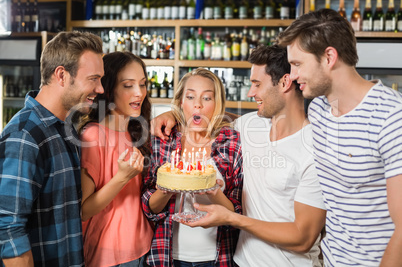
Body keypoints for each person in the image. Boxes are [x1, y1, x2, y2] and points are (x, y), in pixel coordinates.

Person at [151, 45, 326, 266]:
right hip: (240, 260)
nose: (250, 93)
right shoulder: (250, 125)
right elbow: (208, 117)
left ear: (284, 82)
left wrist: (233, 218)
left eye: (257, 84)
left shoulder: (316, 149)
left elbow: (303, 238)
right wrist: (173, 113)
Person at [276, 8, 402, 266]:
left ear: (329, 57)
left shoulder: (390, 117)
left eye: (298, 64)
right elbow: (271, 113)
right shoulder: (321, 108)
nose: (293, 74)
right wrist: (178, 118)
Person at [0, 31, 104, 266]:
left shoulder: (64, 128)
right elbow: (8, 230)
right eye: (93, 79)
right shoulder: (25, 135)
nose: (100, 89)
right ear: (61, 75)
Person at [141, 68, 243, 267]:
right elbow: (149, 208)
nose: (197, 104)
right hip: (167, 256)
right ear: (181, 102)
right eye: (190, 97)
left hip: (216, 259)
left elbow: (237, 213)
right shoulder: (162, 141)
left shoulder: (231, 143)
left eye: (207, 98)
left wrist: (214, 192)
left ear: (216, 103)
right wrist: (166, 187)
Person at [77, 51, 154, 267]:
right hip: (110, 255)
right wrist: (121, 177)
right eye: (128, 85)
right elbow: (84, 210)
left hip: (144, 246)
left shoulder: (136, 131)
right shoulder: (93, 136)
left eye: (143, 84)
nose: (139, 93)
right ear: (109, 89)